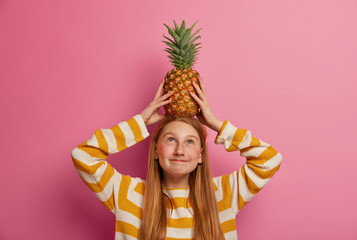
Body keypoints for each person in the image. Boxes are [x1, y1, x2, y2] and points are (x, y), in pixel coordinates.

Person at [71, 77, 283, 240]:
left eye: (190, 142)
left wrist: (216, 124)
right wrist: (140, 122)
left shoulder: (223, 194)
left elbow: (269, 159)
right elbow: (83, 156)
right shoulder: (127, 193)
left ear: (200, 155)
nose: (180, 150)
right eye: (171, 140)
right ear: (155, 150)